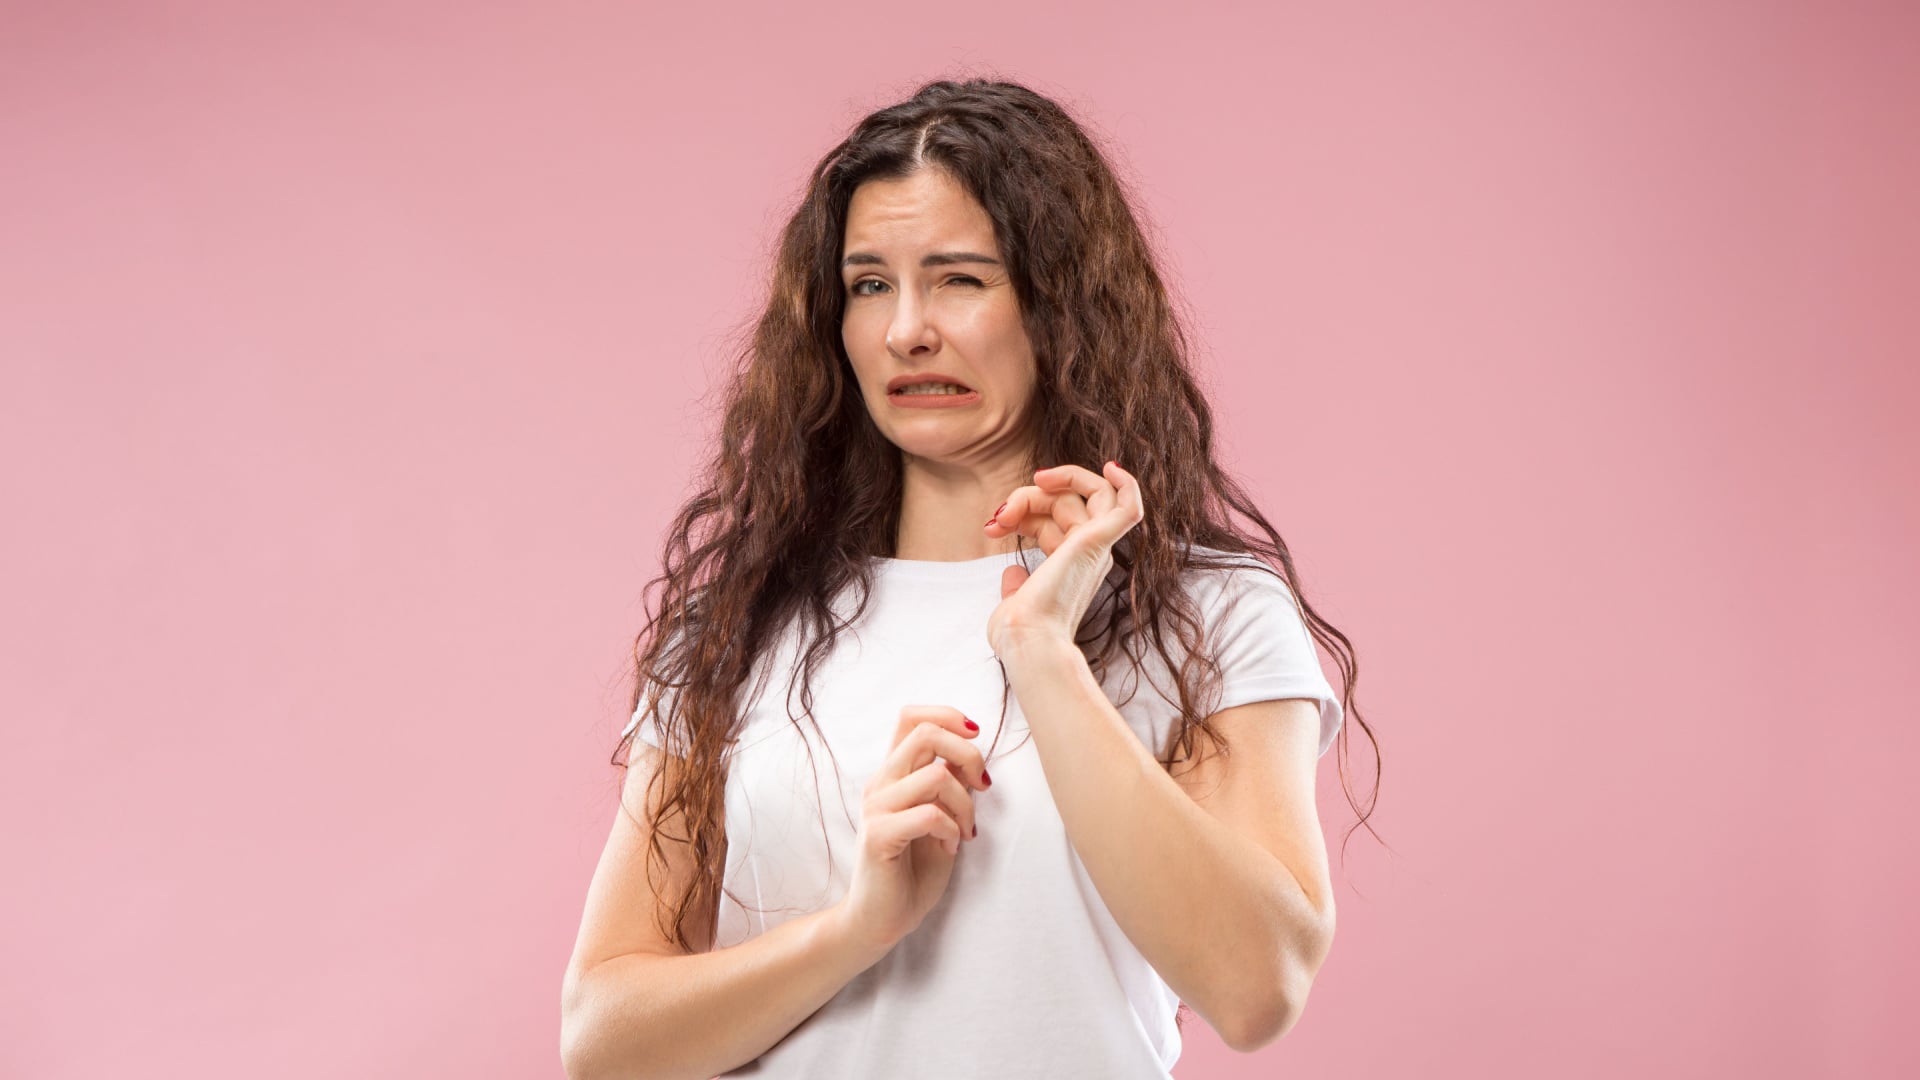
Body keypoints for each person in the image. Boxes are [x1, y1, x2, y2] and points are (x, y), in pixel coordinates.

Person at [560, 77, 1376, 1080]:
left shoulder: (1208, 618)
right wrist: (862, 926)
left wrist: (1042, 654)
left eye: (959, 279)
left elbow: (1257, 988)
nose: (908, 329)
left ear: (1056, 304)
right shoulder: (738, 629)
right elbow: (604, 1040)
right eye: (869, 285)